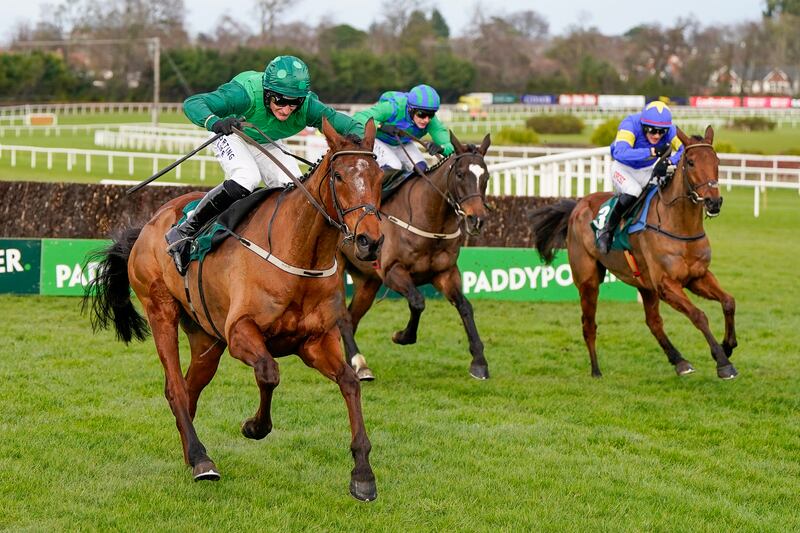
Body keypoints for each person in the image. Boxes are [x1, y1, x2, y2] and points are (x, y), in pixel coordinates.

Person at [166, 55, 365, 275]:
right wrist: (216, 122)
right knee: (246, 178)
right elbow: (193, 103)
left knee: (296, 191)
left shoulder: (308, 107)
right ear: (268, 93)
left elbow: (350, 124)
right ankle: (186, 228)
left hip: (266, 141)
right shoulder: (244, 95)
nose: (287, 109)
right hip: (232, 133)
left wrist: (361, 142)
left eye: (294, 102)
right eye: (280, 100)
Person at [595, 101, 684, 254]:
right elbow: (620, 153)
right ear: (643, 125)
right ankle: (606, 231)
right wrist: (652, 152)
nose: (657, 135)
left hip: (647, 169)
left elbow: (684, 148)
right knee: (633, 190)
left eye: (661, 132)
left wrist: (670, 161)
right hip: (624, 168)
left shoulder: (670, 130)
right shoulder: (629, 124)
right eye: (652, 130)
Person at [353, 84, 454, 180]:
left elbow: (450, 146)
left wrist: (441, 149)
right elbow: (358, 117)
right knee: (394, 166)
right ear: (410, 109)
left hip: (401, 143)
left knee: (422, 168)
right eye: (421, 114)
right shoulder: (392, 108)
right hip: (378, 140)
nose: (426, 120)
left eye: (431, 115)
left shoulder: (431, 122)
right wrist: (381, 126)